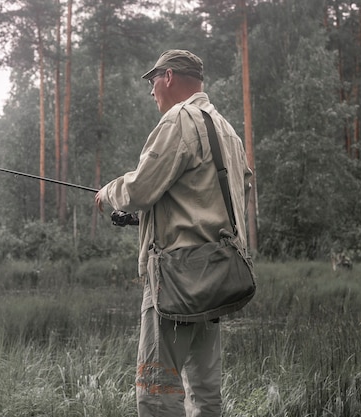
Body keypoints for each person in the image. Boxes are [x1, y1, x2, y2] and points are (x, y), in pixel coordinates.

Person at [94, 49, 252, 417]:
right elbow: (219, 197)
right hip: (214, 277)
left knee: (156, 393)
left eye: (152, 81)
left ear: (168, 77)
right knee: (204, 392)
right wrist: (149, 219)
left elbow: (140, 189)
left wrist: (109, 192)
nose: (150, 91)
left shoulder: (178, 120)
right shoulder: (226, 129)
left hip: (176, 279)